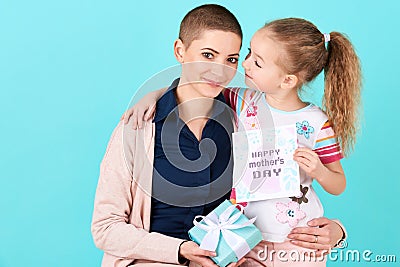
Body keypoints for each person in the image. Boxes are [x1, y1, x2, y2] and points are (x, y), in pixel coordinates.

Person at [123, 17, 360, 266]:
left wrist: (319, 171)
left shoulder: (315, 122)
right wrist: (153, 95)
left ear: (288, 80)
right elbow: (193, 86)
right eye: (248, 53)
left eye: (257, 62)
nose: (245, 64)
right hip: (243, 235)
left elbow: (338, 183)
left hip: (297, 239)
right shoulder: (243, 100)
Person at [92, 4, 245, 267]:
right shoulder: (137, 129)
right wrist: (181, 250)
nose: (221, 71)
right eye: (208, 55)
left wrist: (336, 230)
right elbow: (106, 228)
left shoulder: (243, 123)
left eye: (231, 59)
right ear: (180, 51)